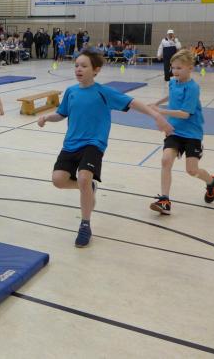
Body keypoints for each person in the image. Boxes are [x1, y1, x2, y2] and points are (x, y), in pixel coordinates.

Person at [37, 50, 173, 247]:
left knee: (84, 177)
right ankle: (89, 187)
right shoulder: (71, 92)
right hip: (71, 144)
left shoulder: (104, 92)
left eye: (84, 66)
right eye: (76, 65)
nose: (79, 69)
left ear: (96, 70)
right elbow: (61, 114)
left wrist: (156, 115)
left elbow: (132, 103)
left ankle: (85, 225)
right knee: (58, 180)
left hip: (94, 143)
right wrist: (47, 117)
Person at [148, 49, 214, 215]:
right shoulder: (173, 82)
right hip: (174, 130)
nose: (175, 71)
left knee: (192, 170)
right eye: (173, 68)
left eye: (179, 68)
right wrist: (156, 102)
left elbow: (185, 114)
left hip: (192, 133)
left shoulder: (193, 88)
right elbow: (171, 95)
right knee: (166, 160)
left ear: (190, 68)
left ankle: (212, 182)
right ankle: (164, 200)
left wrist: (160, 111)